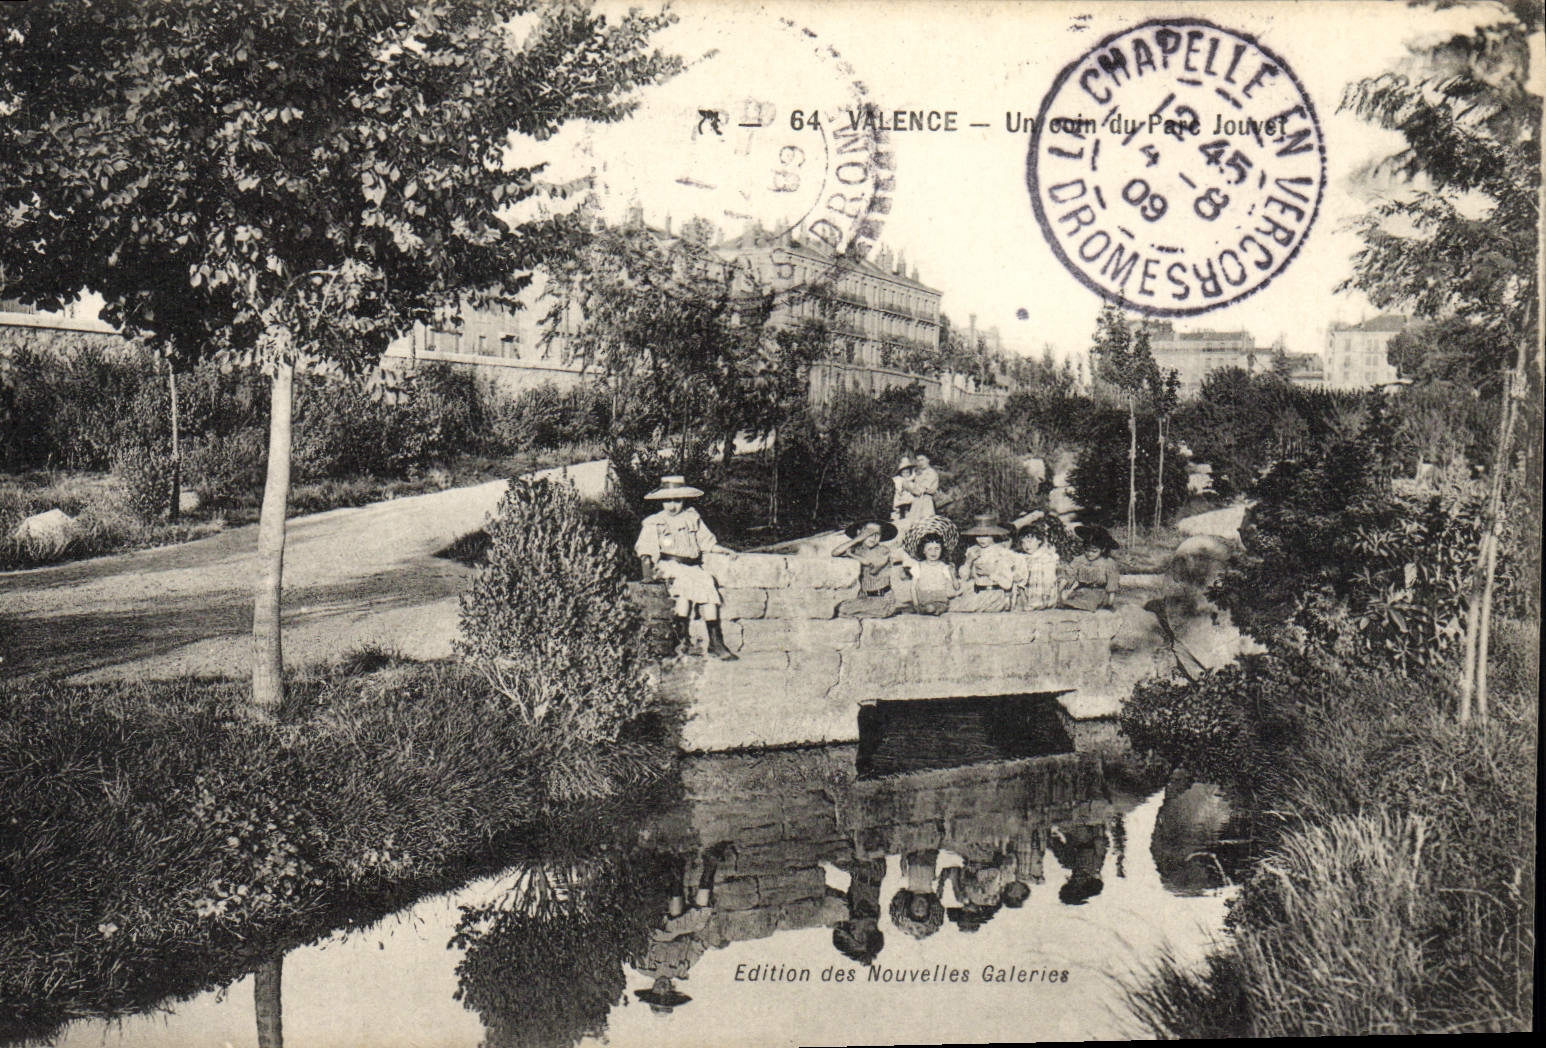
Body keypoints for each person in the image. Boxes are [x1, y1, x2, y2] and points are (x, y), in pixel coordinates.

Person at [635, 475, 738, 659]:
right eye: (667, 501)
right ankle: (680, 639)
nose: (672, 505)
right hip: (670, 564)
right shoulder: (655, 521)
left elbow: (706, 542)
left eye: (677, 500)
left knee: (708, 586)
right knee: (684, 589)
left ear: (684, 500)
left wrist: (723, 550)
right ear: (661, 501)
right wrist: (647, 563)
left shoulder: (691, 517)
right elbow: (646, 547)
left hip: (691, 566)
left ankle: (715, 641)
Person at [633, 841, 734, 1014]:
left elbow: (638, 943)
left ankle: (680, 868)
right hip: (682, 927)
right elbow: (698, 947)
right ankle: (709, 866)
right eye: (667, 994)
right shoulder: (682, 968)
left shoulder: (643, 967)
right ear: (672, 991)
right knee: (698, 920)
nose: (663, 989)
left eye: (658, 994)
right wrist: (715, 942)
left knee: (679, 920)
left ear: (653, 990)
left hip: (659, 929)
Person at [832, 520, 901, 619]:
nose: (873, 537)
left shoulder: (883, 551)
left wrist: (851, 554)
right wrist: (857, 539)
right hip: (864, 597)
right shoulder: (858, 550)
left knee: (843, 610)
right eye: (869, 533)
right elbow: (835, 553)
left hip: (882, 599)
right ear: (860, 533)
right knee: (838, 608)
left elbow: (869, 563)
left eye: (877, 534)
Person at [950, 514, 1015, 613]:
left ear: (993, 534)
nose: (981, 539)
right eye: (978, 535)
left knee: (962, 608)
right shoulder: (973, 550)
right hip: (975, 593)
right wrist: (969, 561)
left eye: (985, 536)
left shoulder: (1001, 553)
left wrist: (990, 573)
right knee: (952, 605)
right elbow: (963, 577)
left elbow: (1008, 584)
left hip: (994, 594)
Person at [888, 849, 946, 939]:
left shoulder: (906, 879)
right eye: (923, 910)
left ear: (910, 905)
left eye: (916, 910)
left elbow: (903, 859)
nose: (920, 906)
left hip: (913, 853)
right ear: (928, 906)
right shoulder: (933, 886)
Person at [1062, 523, 1121, 611]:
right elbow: (1070, 575)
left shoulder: (1108, 563)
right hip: (1081, 591)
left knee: (1088, 604)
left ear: (1103, 549)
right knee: (1068, 602)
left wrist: (1110, 603)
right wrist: (1064, 588)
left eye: (1094, 551)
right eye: (1087, 550)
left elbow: (1112, 584)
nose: (1089, 554)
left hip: (1098, 593)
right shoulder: (1079, 560)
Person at [1012, 516, 1064, 611]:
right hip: (1029, 592)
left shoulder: (1046, 557)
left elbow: (1049, 578)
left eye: (1030, 541)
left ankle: (1043, 602)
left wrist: (1046, 595)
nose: (1026, 546)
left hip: (1044, 591)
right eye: (1023, 543)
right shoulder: (1022, 558)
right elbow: (1021, 580)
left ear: (1039, 541)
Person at [898, 534, 958, 615]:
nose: (933, 552)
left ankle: (937, 610)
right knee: (929, 608)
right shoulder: (919, 566)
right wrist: (916, 604)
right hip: (924, 600)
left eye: (937, 548)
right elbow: (913, 587)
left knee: (941, 607)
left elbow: (956, 587)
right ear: (923, 550)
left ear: (942, 550)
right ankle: (927, 610)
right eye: (929, 549)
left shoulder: (944, 567)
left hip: (940, 600)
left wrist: (953, 574)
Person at [904, 453, 940, 522]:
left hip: (926, 502)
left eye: (922, 460)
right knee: (913, 524)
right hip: (917, 501)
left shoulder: (931, 473)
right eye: (918, 461)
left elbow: (919, 491)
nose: (920, 463)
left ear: (928, 460)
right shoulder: (919, 473)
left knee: (925, 523)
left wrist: (907, 487)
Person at [891, 456, 917, 521]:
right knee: (902, 504)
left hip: (909, 494)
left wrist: (914, 471)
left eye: (907, 472)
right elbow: (898, 485)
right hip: (902, 494)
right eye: (903, 473)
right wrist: (899, 491)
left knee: (911, 502)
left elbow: (913, 476)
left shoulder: (909, 478)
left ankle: (910, 513)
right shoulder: (900, 479)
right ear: (901, 473)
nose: (905, 474)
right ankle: (902, 515)